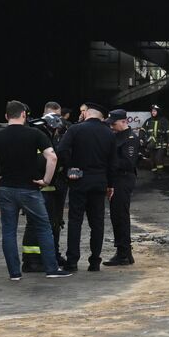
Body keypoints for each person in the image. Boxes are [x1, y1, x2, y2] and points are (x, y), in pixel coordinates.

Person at [0, 100, 71, 280]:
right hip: (30, 189)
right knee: (44, 228)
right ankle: (51, 269)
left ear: (6, 116)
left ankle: (14, 273)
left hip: (6, 189)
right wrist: (46, 180)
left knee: (9, 231)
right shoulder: (35, 134)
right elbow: (52, 157)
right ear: (24, 115)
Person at [55, 102, 116, 272]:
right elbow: (113, 163)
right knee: (97, 223)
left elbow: (61, 150)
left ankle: (72, 261)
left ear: (88, 112)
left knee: (75, 221)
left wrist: (70, 168)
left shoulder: (75, 129)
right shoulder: (109, 133)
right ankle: (95, 261)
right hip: (99, 182)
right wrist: (110, 184)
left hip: (78, 181)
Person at [22, 102, 69, 272]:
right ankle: (32, 260)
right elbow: (43, 161)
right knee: (36, 224)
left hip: (55, 188)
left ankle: (52, 254)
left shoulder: (57, 132)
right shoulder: (36, 134)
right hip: (41, 188)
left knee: (54, 223)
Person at [106, 108, 141, 266]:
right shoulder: (117, 135)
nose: (111, 127)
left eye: (114, 124)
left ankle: (124, 253)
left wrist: (107, 161)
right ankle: (123, 252)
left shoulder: (130, 138)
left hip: (124, 178)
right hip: (117, 179)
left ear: (124, 121)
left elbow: (128, 162)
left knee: (120, 215)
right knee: (116, 215)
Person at [142, 105, 169, 171]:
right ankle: (154, 173)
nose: (153, 112)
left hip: (161, 143)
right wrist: (141, 138)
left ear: (158, 112)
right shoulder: (148, 121)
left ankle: (160, 174)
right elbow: (142, 130)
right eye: (152, 111)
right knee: (152, 160)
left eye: (154, 111)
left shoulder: (164, 120)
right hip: (151, 144)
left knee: (158, 159)